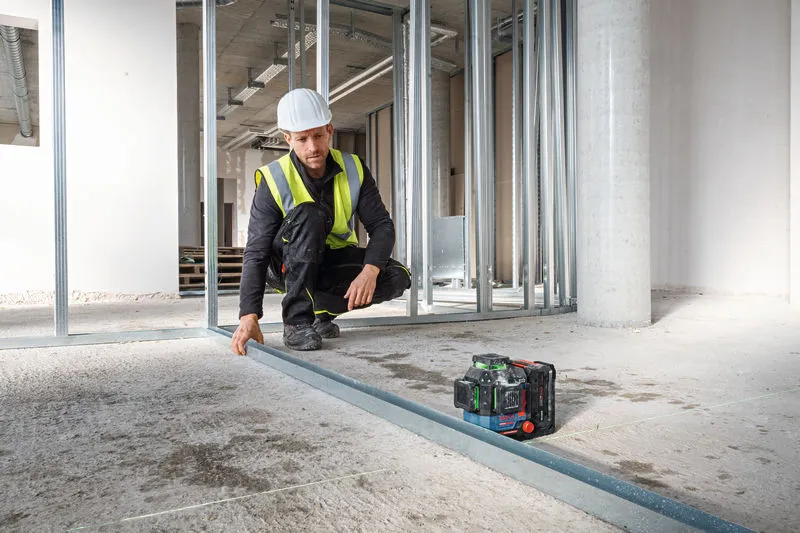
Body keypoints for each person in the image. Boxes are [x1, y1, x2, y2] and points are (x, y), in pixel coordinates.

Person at [231, 88, 411, 353]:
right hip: (284, 267)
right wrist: (249, 315)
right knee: (310, 213)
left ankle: (320, 314)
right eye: (302, 139)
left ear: (330, 130)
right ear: (287, 139)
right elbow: (256, 251)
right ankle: (296, 322)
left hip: (328, 260)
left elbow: (382, 225)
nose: (313, 147)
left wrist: (370, 271)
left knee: (397, 277)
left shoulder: (354, 167)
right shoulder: (274, 179)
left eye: (317, 135)